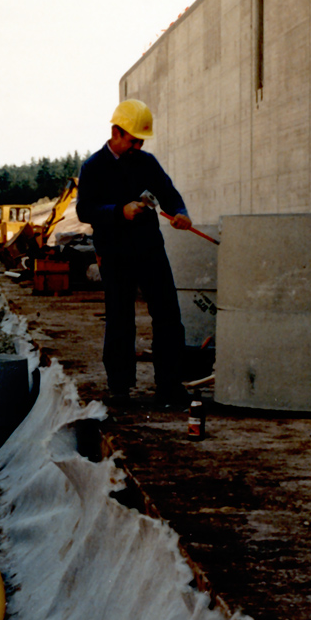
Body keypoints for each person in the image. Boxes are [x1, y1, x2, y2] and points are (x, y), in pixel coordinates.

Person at [76, 98, 192, 408]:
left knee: (168, 316)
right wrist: (118, 212)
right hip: (115, 253)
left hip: (150, 249)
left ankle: (169, 385)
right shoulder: (93, 167)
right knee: (120, 319)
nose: (137, 145)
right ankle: (120, 388)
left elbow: (168, 194)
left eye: (140, 140)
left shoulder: (147, 163)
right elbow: (85, 210)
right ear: (115, 133)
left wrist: (179, 212)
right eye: (132, 139)